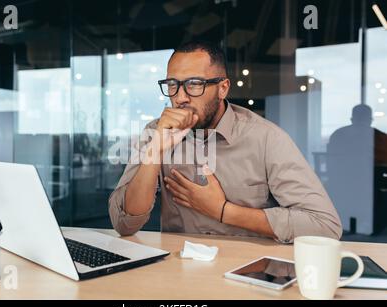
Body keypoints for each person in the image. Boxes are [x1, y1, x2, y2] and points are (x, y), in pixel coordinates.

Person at [108, 40, 342, 244]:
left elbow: (324, 225)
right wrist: (155, 151)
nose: (179, 97)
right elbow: (124, 224)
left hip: (249, 276)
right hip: (178, 274)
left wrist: (223, 211)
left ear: (222, 88)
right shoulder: (156, 132)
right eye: (172, 84)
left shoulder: (266, 138)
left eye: (194, 84)